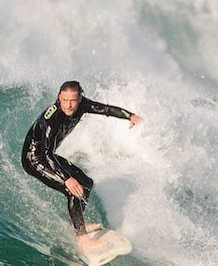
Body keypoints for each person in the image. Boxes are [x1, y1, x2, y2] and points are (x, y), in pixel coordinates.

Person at [21, 80, 144, 248]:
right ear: (59, 97)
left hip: (50, 157)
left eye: (73, 100)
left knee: (86, 183)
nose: (69, 105)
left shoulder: (82, 105)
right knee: (73, 189)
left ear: (80, 99)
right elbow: (47, 153)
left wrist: (130, 115)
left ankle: (76, 227)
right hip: (34, 159)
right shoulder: (51, 118)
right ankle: (83, 239)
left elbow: (106, 109)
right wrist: (66, 179)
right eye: (65, 100)